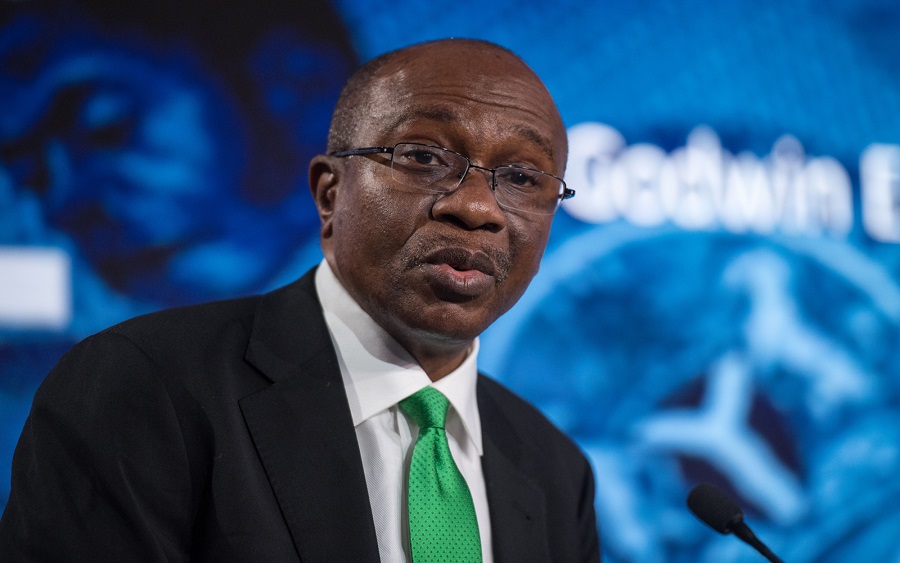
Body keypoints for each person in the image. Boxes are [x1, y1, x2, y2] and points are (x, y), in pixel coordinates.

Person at [0, 38, 600, 562]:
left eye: (522, 177)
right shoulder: (139, 388)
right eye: (423, 157)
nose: (475, 207)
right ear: (330, 193)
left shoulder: (554, 468)